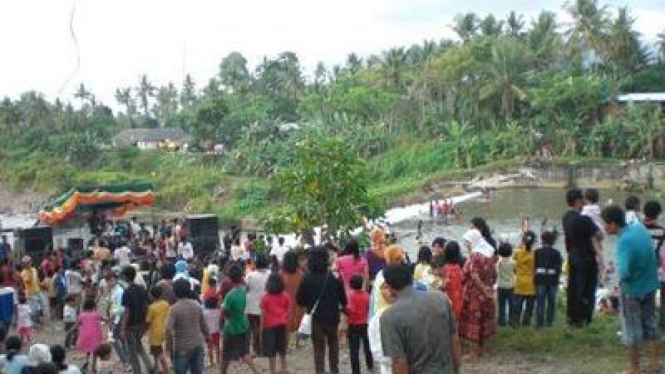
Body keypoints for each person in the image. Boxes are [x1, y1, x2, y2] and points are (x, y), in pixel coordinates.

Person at [602, 205, 660, 374]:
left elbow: (625, 271)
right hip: (650, 285)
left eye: (605, 224)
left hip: (632, 291)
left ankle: (635, 370)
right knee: (650, 325)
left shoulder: (623, 241)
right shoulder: (639, 228)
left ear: (613, 224)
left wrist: (618, 282)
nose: (604, 228)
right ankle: (656, 366)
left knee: (631, 330)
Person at [380, 263, 461, 374]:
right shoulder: (440, 299)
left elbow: (399, 362)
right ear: (411, 278)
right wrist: (455, 370)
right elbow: (454, 341)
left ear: (389, 287)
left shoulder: (390, 317)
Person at [296, 246, 347, 374]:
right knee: (333, 345)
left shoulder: (306, 278)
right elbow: (344, 300)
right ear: (326, 258)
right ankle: (334, 370)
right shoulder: (334, 276)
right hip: (332, 317)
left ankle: (320, 371)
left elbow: (299, 300)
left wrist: (310, 303)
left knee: (318, 349)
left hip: (315, 319)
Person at [562, 188, 601, 327]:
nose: (584, 202)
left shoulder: (566, 217)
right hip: (586, 257)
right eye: (582, 199)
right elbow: (599, 235)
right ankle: (584, 319)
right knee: (587, 289)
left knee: (573, 287)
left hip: (572, 254)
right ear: (578, 200)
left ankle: (572, 318)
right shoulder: (584, 219)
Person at [460, 228, 497, 362]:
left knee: (473, 323)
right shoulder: (490, 253)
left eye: (467, 243)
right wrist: (488, 289)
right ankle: (481, 350)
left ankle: (473, 355)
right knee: (482, 322)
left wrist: (482, 288)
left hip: (475, 294)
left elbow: (474, 275)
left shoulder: (475, 256)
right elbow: (494, 274)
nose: (467, 246)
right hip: (486, 293)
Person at [220, 265, 261, 374]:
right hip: (243, 324)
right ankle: (256, 371)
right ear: (241, 277)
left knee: (225, 355)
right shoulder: (244, 290)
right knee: (244, 352)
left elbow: (224, 312)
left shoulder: (230, 296)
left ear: (230, 278)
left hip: (232, 328)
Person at [165, 278, 209, 374]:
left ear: (175, 292)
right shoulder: (196, 305)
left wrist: (168, 347)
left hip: (181, 347)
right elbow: (204, 324)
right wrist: (207, 337)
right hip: (197, 344)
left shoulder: (174, 309)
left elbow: (168, 329)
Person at [120, 265, 152, 374]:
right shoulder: (141, 289)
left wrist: (123, 328)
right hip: (141, 323)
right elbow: (147, 305)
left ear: (125, 277)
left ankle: (137, 371)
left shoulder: (127, 292)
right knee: (139, 345)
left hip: (131, 325)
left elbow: (126, 312)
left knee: (132, 352)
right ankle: (150, 366)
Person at [260, 273, 291, 374]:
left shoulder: (265, 297)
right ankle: (284, 368)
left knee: (271, 350)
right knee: (282, 347)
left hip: (269, 325)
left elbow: (263, 314)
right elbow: (288, 311)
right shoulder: (285, 295)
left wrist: (261, 328)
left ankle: (272, 370)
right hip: (282, 324)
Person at [642, 200, 665, 327]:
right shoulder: (662, 231)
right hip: (657, 267)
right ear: (658, 214)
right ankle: (661, 325)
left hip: (641, 268)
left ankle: (644, 324)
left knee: (644, 299)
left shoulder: (637, 229)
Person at [534, 231, 563, 328]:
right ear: (553, 241)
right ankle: (549, 323)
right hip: (552, 280)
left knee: (540, 302)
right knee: (551, 302)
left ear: (542, 240)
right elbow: (559, 268)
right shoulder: (557, 253)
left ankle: (539, 323)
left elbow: (534, 266)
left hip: (540, 279)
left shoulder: (537, 252)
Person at [345, 275, 373, 374]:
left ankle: (356, 371)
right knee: (367, 347)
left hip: (353, 325)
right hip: (365, 324)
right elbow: (370, 309)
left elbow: (349, 310)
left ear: (351, 285)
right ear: (361, 284)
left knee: (354, 351)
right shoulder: (366, 295)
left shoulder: (350, 296)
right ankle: (370, 365)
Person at [245, 253, 270, 356]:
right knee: (266, 328)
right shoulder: (270, 274)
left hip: (252, 306)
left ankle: (257, 349)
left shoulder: (250, 275)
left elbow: (246, 289)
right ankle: (267, 348)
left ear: (256, 263)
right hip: (267, 306)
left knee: (254, 328)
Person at [279, 250, 305, 348]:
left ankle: (285, 344)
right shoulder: (300, 273)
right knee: (298, 320)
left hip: (284, 301)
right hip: (298, 301)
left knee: (285, 322)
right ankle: (296, 344)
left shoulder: (281, 273)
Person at [512, 231, 536, 327]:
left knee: (517, 304)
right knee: (529, 305)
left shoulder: (517, 253)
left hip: (519, 282)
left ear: (523, 241)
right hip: (531, 283)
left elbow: (513, 266)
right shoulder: (535, 254)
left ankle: (515, 322)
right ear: (534, 242)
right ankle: (526, 322)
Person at [437, 241, 464, 320]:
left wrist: (438, 287)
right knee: (456, 322)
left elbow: (445, 284)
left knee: (450, 322)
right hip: (458, 299)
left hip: (450, 300)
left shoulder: (447, 268)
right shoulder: (458, 267)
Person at [146, 286, 170, 374]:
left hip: (154, 333)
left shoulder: (151, 308)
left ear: (152, 296)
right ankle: (156, 368)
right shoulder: (166, 303)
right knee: (156, 352)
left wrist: (144, 329)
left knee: (159, 353)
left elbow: (148, 321)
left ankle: (166, 370)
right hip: (164, 330)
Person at [76, 298, 103, 368]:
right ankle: (93, 366)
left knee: (88, 349)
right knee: (95, 351)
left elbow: (77, 324)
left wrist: (70, 331)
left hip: (85, 335)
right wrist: (110, 319)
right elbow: (103, 319)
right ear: (94, 306)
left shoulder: (82, 315)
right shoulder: (95, 314)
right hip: (95, 335)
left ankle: (87, 361)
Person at [21, 256, 48, 323]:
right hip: (30, 293)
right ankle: (33, 322)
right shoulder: (24, 272)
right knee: (34, 309)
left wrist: (41, 285)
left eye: (29, 262)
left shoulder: (34, 269)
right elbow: (28, 281)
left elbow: (37, 279)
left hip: (38, 291)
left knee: (44, 304)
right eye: (26, 263)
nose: (28, 263)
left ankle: (37, 319)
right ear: (24, 264)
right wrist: (29, 271)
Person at [495, 242, 515, 327]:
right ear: (510, 251)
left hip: (501, 286)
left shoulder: (499, 263)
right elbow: (515, 271)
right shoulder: (513, 262)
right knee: (511, 304)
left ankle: (501, 322)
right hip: (511, 286)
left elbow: (496, 272)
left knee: (501, 305)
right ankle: (511, 320)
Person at [202, 295, 221, 368]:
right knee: (217, 347)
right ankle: (218, 360)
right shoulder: (218, 311)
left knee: (209, 348)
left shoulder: (204, 312)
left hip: (208, 333)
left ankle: (211, 362)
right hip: (216, 331)